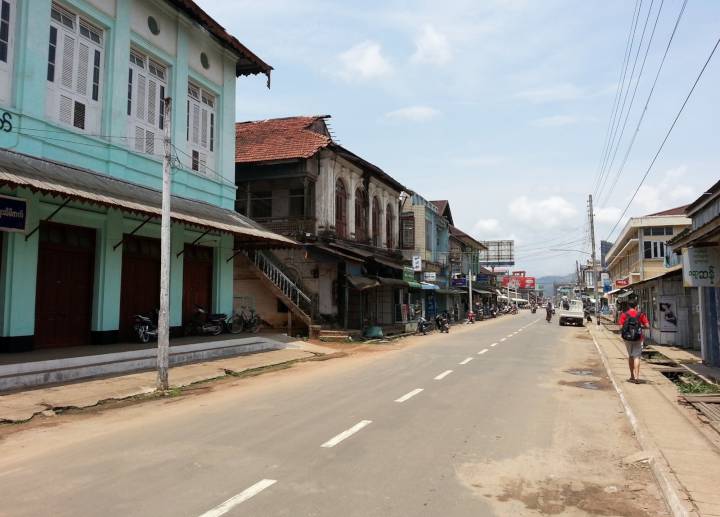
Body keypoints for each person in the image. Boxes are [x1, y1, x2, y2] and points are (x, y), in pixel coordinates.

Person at [618, 300, 650, 384]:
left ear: (628, 306)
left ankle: (632, 375)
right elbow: (647, 326)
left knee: (631, 356)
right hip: (638, 338)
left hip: (627, 338)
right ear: (636, 306)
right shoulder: (641, 314)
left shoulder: (624, 314)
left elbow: (620, 327)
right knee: (637, 357)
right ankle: (637, 377)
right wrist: (640, 326)